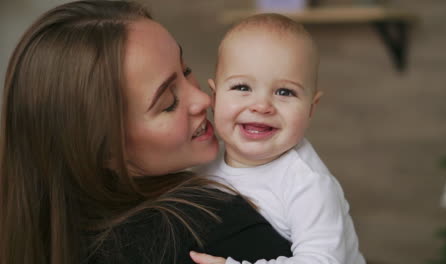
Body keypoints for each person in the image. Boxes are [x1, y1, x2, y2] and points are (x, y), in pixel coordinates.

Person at [0, 2, 293, 264]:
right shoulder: (212, 227)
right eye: (168, 103)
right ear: (104, 151)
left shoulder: (44, 236)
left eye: (185, 69)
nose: (203, 100)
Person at [191, 14, 366, 264]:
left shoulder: (307, 184)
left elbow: (321, 261)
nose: (261, 105)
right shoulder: (204, 161)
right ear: (215, 97)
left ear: (311, 108)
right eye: (242, 87)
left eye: (284, 92)